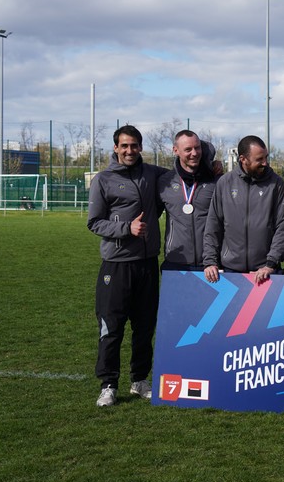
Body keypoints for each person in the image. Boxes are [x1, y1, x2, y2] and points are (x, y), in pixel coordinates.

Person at [87, 125, 161, 407]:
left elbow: (185, 169)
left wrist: (212, 163)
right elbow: (94, 222)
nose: (129, 150)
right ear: (116, 148)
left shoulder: (153, 174)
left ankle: (139, 380)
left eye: (134, 145)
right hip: (116, 265)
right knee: (111, 327)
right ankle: (108, 384)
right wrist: (126, 228)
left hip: (147, 264)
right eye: (124, 146)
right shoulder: (103, 179)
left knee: (145, 327)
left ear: (141, 147)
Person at [203, 135, 284, 286]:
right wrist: (210, 261)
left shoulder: (276, 184)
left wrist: (270, 263)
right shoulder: (225, 183)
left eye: (266, 157)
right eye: (259, 159)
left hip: (265, 271)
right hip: (230, 270)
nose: (265, 163)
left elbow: (283, 226)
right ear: (243, 159)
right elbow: (213, 224)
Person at [157, 130, 218, 271]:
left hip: (211, 263)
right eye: (188, 149)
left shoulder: (216, 181)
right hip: (176, 260)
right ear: (176, 150)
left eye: (197, 148)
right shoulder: (164, 182)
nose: (194, 153)